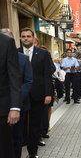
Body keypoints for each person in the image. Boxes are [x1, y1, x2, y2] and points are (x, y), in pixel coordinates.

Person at [18, 27, 53, 158]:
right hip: (20, 95)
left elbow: (47, 75)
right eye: (23, 36)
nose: (26, 38)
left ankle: (33, 151)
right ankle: (18, 148)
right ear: (20, 38)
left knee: (35, 124)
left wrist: (48, 94)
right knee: (19, 124)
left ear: (33, 38)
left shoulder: (43, 53)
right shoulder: (15, 52)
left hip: (38, 95)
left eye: (28, 36)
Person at [1, 28, 33, 158]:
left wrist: (15, 104)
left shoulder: (22, 58)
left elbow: (20, 80)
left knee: (13, 140)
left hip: (10, 106)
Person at [0, 33, 22, 158]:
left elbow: (14, 77)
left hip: (2, 111)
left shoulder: (6, 42)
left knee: (4, 150)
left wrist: (14, 107)